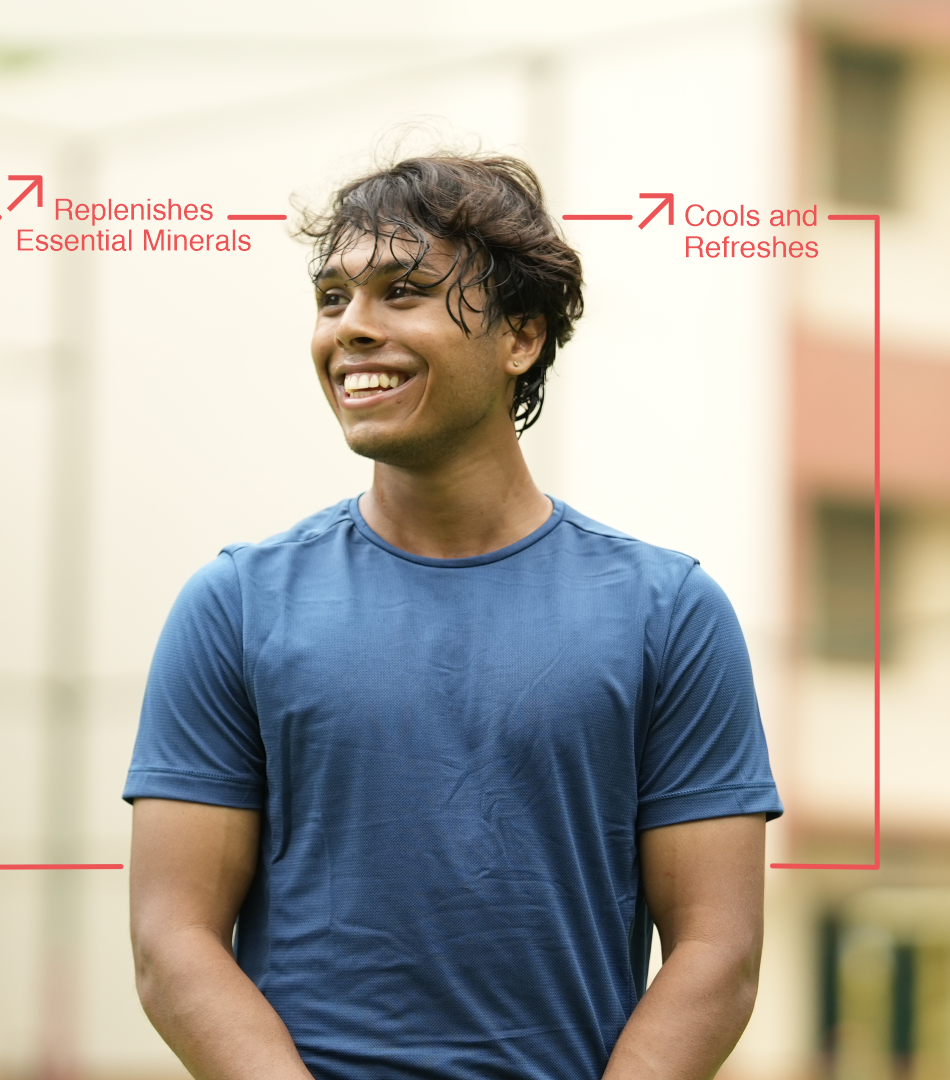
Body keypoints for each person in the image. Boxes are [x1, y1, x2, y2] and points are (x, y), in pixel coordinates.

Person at [124, 154, 782, 1080]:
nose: (352, 328)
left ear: (519, 335)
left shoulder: (669, 614)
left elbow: (719, 953)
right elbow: (172, 939)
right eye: (331, 297)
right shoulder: (233, 605)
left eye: (403, 292)